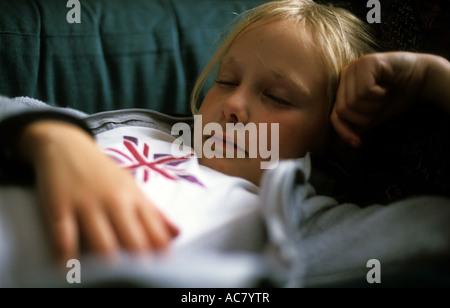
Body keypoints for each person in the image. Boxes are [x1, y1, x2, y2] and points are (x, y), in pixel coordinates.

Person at [0, 0, 449, 286]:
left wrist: (433, 78)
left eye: (277, 96)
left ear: (338, 137)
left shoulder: (304, 225)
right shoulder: (135, 129)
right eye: (227, 79)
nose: (233, 103)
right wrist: (54, 138)